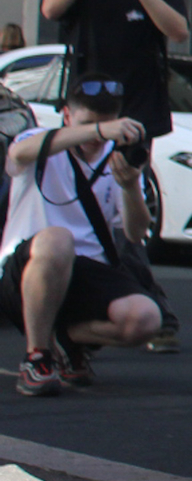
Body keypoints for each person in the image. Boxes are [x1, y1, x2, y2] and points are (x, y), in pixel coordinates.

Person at [40, 0, 185, 352]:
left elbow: (178, 31)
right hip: (86, 106)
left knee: (127, 202)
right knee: (84, 201)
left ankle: (147, 300)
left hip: (138, 106)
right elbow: (52, 8)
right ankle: (120, 296)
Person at [0, 82, 163, 396]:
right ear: (66, 116)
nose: (97, 136)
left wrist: (130, 188)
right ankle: (37, 357)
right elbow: (18, 153)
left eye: (106, 123)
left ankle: (66, 337)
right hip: (27, 267)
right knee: (59, 240)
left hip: (86, 268)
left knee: (145, 319)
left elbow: (134, 232)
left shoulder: (116, 160)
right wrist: (98, 131)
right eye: (88, 124)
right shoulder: (40, 142)